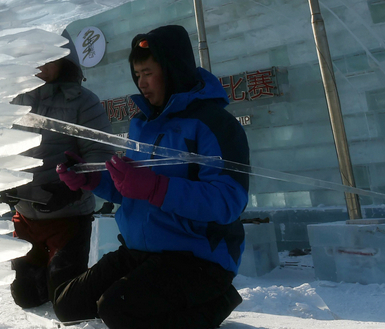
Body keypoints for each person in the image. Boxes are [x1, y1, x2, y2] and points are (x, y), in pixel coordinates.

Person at [55, 25, 249, 329]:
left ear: (172, 69)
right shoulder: (142, 124)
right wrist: (91, 180)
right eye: (137, 74)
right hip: (141, 250)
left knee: (118, 309)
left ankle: (218, 299)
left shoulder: (214, 124)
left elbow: (228, 201)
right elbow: (130, 190)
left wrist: (156, 187)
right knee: (68, 304)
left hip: (196, 257)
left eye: (148, 72)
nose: (141, 83)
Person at [7, 30, 118, 309]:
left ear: (64, 58)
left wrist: (70, 190)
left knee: (66, 301)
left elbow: (100, 155)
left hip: (69, 216)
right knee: (26, 297)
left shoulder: (84, 101)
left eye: (49, 58)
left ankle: (115, 286)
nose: (41, 66)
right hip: (26, 216)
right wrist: (2, 184)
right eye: (34, 58)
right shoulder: (13, 102)